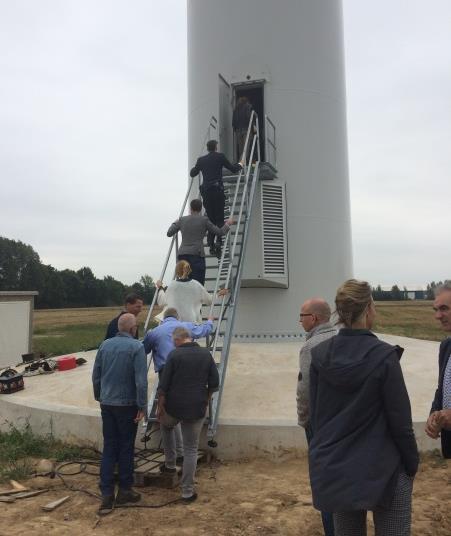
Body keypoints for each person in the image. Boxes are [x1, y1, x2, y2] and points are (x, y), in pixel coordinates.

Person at [309, 279, 419, 536]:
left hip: (337, 469)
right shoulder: (384, 357)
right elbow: (400, 421)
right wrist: (411, 464)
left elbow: (316, 417)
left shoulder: (319, 356)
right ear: (369, 308)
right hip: (386, 469)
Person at [92, 313, 148, 515]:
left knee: (110, 446)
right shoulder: (137, 347)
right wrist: (142, 406)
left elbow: (96, 374)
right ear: (133, 329)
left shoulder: (104, 345)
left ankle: (106, 494)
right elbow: (141, 381)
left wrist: (100, 396)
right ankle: (124, 490)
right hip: (127, 405)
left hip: (107, 404)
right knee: (125, 447)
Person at [143, 308, 214, 461]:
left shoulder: (155, 332)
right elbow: (204, 330)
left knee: (169, 415)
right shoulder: (185, 327)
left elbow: (144, 349)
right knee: (179, 418)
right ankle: (182, 453)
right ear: (177, 317)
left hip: (165, 374)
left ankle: (172, 459)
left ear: (164, 318)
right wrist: (209, 321)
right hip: (187, 374)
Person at [157, 326, 219, 502]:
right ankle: (187, 491)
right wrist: (206, 399)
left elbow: (164, 385)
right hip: (196, 407)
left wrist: (161, 407)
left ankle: (170, 463)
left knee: (166, 425)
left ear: (177, 340)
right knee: (191, 449)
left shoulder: (174, 355)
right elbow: (214, 383)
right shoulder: (206, 354)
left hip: (174, 407)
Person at [296, 298, 336, 536]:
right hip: (341, 421)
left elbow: (305, 390)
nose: (299, 321)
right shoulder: (339, 338)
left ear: (314, 318)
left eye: (302, 316)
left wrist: (304, 421)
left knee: (324, 482)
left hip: (319, 424)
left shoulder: (311, 347)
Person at [190, 140, 242, 257]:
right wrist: (240, 164)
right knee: (219, 218)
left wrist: (195, 169)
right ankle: (218, 242)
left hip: (206, 192)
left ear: (208, 148)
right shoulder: (220, 157)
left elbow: (193, 173)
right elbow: (233, 169)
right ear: (216, 147)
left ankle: (210, 244)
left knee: (211, 218)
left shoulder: (201, 160)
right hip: (217, 191)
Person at [167, 198, 232, 283]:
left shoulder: (182, 219)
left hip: (182, 256)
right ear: (201, 209)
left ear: (190, 208)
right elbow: (219, 232)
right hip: (196, 255)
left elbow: (169, 233)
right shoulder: (204, 220)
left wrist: (175, 223)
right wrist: (228, 224)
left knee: (184, 283)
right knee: (198, 283)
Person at [425, 281, 451, 457]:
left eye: (444, 308)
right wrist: (434, 415)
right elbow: (442, 389)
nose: (438, 316)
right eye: (436, 310)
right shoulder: (445, 346)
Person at [156, 260, 227, 322]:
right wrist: (219, 293)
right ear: (189, 270)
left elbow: (162, 302)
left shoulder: (173, 286)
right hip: (192, 325)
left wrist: (160, 288)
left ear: (177, 272)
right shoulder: (196, 285)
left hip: (176, 325)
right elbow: (209, 300)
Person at [232, 96, 253, 160]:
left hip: (238, 130)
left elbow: (233, 121)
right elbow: (249, 116)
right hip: (246, 129)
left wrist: (235, 129)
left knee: (241, 148)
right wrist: (253, 126)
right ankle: (243, 162)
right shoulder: (248, 106)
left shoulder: (236, 109)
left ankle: (241, 162)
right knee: (246, 147)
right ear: (246, 101)